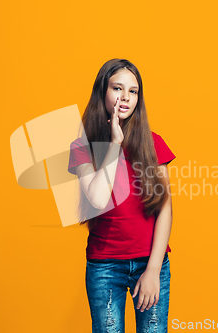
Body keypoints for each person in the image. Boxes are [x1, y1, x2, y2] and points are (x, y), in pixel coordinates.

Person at [67, 58, 176, 332]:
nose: (125, 97)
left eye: (133, 91)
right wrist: (114, 145)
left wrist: (152, 270)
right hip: (105, 267)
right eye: (117, 88)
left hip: (151, 263)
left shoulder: (154, 143)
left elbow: (165, 209)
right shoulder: (82, 147)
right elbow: (98, 200)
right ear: (103, 91)